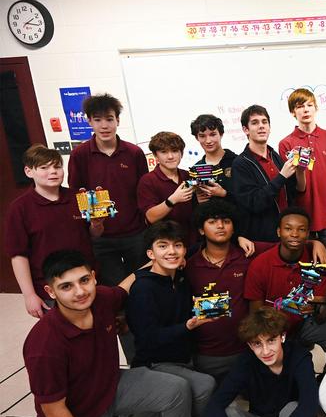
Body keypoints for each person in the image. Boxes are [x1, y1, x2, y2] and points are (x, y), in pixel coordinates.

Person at [18, 249, 214, 417]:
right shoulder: (44, 345)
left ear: (93, 277)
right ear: (50, 292)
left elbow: (123, 289)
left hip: (112, 386)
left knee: (177, 389)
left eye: (84, 281)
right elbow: (54, 410)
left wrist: (159, 258)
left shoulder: (101, 299)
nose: (80, 292)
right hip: (77, 414)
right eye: (66, 286)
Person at [186, 200, 326, 382]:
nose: (220, 226)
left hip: (246, 349)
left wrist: (314, 243)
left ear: (234, 227)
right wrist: (137, 275)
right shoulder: (189, 265)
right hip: (207, 353)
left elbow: (290, 242)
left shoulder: (249, 251)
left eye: (226, 221)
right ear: (201, 229)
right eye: (212, 222)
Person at [125, 220, 217, 417]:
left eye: (177, 246)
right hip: (153, 362)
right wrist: (187, 326)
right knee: (205, 384)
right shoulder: (143, 288)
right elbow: (148, 339)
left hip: (181, 358)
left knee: (205, 390)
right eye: (163, 246)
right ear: (151, 253)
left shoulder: (179, 279)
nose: (172, 251)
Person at [243, 207, 326, 369]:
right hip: (271, 327)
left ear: (308, 233)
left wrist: (317, 308)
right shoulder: (260, 265)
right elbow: (256, 315)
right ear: (278, 231)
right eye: (288, 229)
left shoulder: (316, 262)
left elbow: (320, 316)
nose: (295, 234)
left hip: (304, 324)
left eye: (302, 229)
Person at [5, 144, 99, 319]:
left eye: (57, 166)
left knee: (95, 331)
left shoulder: (78, 198)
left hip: (85, 282)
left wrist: (97, 224)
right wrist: (29, 295)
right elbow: (18, 255)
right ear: (28, 171)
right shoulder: (19, 208)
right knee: (64, 339)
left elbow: (93, 235)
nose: (53, 172)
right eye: (44, 167)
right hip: (50, 288)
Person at [67, 93, 148, 287]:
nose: (104, 126)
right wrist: (93, 227)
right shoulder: (80, 154)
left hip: (135, 233)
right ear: (89, 122)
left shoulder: (134, 153)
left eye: (109, 119)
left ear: (117, 120)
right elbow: (76, 193)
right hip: (101, 236)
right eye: (98, 120)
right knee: (113, 289)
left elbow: (144, 190)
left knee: (140, 285)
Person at [278, 88, 326, 322]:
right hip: (301, 219)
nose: (305, 110)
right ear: (292, 112)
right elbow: (293, 187)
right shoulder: (286, 143)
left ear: (316, 107)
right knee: (301, 271)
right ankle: (302, 317)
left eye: (308, 105)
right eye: (299, 106)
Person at [231, 104, 306, 242]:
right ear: (245, 130)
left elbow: (295, 191)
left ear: (269, 128)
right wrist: (282, 176)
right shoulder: (240, 164)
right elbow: (254, 202)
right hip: (262, 239)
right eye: (255, 123)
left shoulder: (275, 156)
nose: (261, 126)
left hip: (286, 235)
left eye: (264, 122)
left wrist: (300, 171)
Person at [137, 132, 196, 244]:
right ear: (155, 156)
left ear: (181, 153)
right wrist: (173, 200)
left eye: (174, 151)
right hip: (166, 244)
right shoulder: (148, 180)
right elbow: (150, 217)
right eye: (164, 152)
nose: (170, 156)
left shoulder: (188, 175)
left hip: (191, 241)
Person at [190, 113, 237, 204]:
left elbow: (249, 198)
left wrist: (224, 194)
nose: (208, 141)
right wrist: (197, 201)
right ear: (197, 138)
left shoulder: (237, 161)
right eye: (202, 136)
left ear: (221, 134)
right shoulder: (197, 168)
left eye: (212, 134)